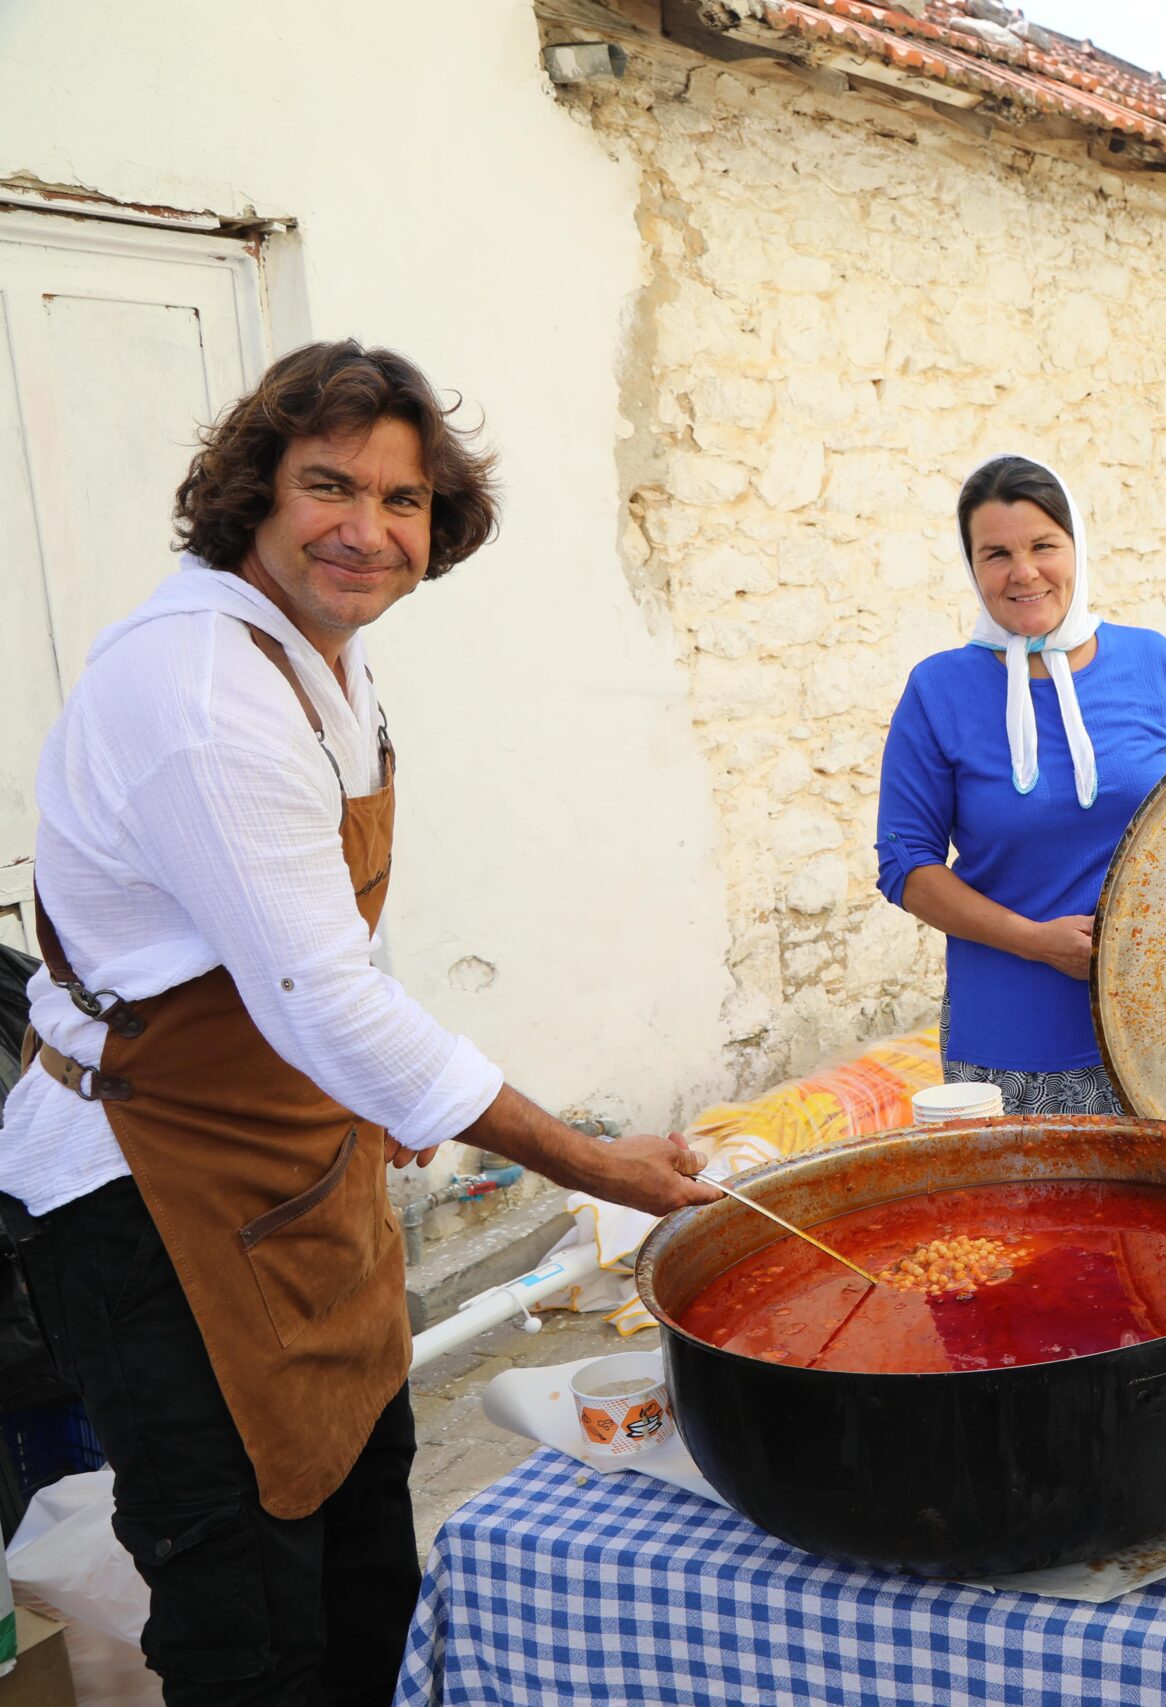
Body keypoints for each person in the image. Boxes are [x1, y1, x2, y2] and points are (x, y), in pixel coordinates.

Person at [0, 340, 718, 1706]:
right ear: (251, 496)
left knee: (361, 1540)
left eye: (402, 501)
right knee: (245, 1602)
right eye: (330, 486)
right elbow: (319, 991)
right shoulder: (206, 688)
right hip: (148, 1191)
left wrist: (379, 1096)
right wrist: (591, 1159)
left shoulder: (318, 656)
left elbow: (325, 938)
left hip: (285, 1147)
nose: (367, 529)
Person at [876, 455, 1166, 1116]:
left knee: (1158, 1221)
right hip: (1009, 1043)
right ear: (972, 567)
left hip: (1162, 1030)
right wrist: (1036, 940)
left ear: (1076, 547)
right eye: (996, 553)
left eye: (1042, 545)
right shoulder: (939, 691)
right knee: (1022, 1224)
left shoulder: (1150, 662)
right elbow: (905, 867)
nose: (1022, 571)